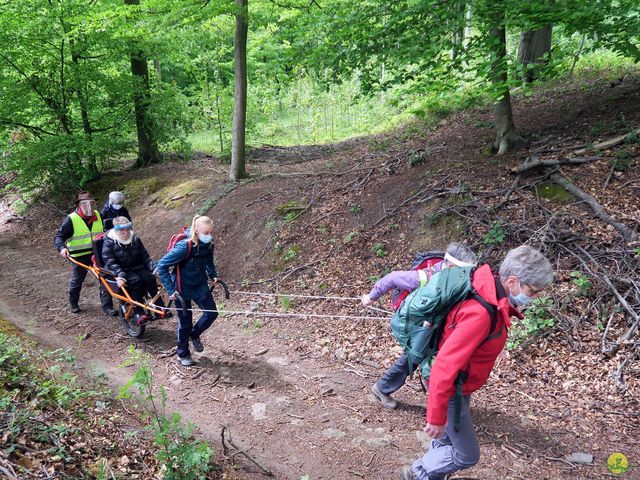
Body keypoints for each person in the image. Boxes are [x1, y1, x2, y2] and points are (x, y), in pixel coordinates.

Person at [400, 245, 553, 480]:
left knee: (448, 438)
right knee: (466, 454)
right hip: (450, 387)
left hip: (461, 382)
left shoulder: (488, 289)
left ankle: (430, 474)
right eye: (533, 291)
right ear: (512, 281)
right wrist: (436, 416)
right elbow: (444, 365)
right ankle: (418, 472)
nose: (534, 297)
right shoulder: (481, 312)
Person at [362, 242, 478, 409]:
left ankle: (382, 388)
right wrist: (371, 297)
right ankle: (443, 410)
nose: (468, 275)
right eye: (466, 271)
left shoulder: (455, 280)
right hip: (414, 327)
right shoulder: (427, 276)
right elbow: (393, 278)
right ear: (452, 266)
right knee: (424, 361)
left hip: (432, 327)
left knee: (414, 358)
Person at [156, 215, 220, 367]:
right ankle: (182, 353)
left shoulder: (209, 245)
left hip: (200, 285)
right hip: (181, 288)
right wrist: (171, 290)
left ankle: (194, 334)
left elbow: (208, 260)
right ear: (196, 230)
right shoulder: (185, 246)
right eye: (206, 233)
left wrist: (213, 275)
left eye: (211, 232)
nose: (209, 236)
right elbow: (162, 266)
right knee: (185, 323)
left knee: (212, 313)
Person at [54, 191, 116, 315]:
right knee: (78, 280)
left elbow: (107, 232)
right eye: (85, 204)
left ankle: (107, 306)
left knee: (104, 277)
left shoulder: (98, 215)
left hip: (96, 254)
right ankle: (73, 303)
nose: (89, 207)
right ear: (79, 205)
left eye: (91, 203)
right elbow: (59, 236)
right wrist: (62, 248)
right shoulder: (71, 219)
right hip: (79, 255)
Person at [102, 216, 160, 324]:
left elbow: (145, 256)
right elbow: (110, 261)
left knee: (150, 278)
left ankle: (159, 308)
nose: (126, 232)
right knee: (135, 281)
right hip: (124, 271)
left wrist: (153, 268)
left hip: (138, 267)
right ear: (116, 230)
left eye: (128, 228)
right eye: (122, 230)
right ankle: (138, 313)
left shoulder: (135, 238)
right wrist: (120, 275)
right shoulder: (109, 242)